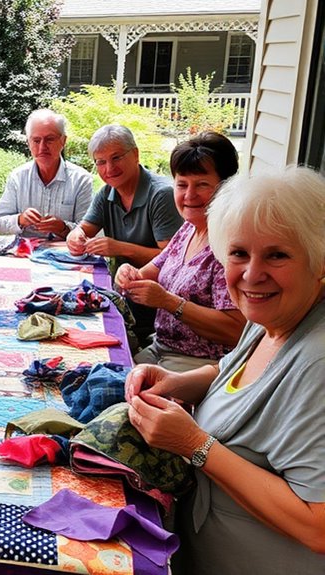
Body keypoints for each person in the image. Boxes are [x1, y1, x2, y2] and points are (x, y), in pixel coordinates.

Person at [125, 166, 325, 574]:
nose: (252, 274)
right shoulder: (270, 316)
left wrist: (194, 444)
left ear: (319, 259)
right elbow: (233, 372)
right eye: (239, 253)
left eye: (277, 254)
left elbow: (317, 526)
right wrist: (179, 382)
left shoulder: (318, 362)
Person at [115, 133, 245, 371]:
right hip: (160, 348)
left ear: (226, 187)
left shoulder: (230, 246)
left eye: (202, 184)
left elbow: (235, 329)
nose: (189, 195)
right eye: (182, 184)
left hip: (199, 364)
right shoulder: (188, 229)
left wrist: (168, 301)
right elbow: (149, 272)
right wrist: (127, 273)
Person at [67, 124, 183, 346]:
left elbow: (172, 261)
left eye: (116, 157)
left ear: (136, 154)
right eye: (100, 162)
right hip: (123, 298)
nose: (109, 168)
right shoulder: (107, 193)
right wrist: (76, 235)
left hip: (155, 313)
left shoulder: (162, 194)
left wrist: (118, 247)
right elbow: (83, 228)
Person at [0, 109, 93, 238]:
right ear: (28, 143)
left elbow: (89, 231)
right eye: (36, 140)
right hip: (23, 254)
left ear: (63, 141)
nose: (42, 147)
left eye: (49, 139)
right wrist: (19, 220)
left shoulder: (81, 180)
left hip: (64, 254)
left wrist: (63, 228)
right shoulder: (18, 177)